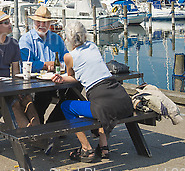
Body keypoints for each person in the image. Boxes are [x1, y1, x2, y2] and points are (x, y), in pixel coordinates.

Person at [52, 21, 133, 162]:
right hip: (122, 99)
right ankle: (103, 147)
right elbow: (81, 75)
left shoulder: (69, 57)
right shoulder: (93, 46)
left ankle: (86, 148)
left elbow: (72, 75)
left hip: (102, 103)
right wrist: (66, 79)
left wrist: (62, 78)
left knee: (67, 106)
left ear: (68, 38)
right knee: (100, 109)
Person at [0, 9, 40, 128]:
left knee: (28, 99)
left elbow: (16, 71)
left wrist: (19, 89)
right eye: (6, 23)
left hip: (10, 86)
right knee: (14, 104)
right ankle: (31, 137)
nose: (10, 25)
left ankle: (37, 134)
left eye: (9, 22)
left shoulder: (14, 44)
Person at [19, 5, 75, 125]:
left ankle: (54, 125)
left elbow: (67, 58)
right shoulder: (26, 40)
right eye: (38, 22)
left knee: (75, 90)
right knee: (43, 96)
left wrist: (59, 64)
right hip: (36, 82)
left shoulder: (57, 39)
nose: (42, 25)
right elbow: (25, 64)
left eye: (45, 22)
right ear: (33, 21)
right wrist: (44, 65)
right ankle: (40, 129)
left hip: (57, 79)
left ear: (50, 23)